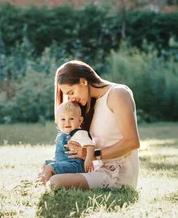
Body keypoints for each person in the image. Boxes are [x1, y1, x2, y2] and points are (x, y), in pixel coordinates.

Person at [48, 60, 140, 190]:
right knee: (49, 168)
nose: (71, 99)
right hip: (94, 168)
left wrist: (92, 155)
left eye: (71, 93)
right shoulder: (90, 103)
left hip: (116, 173)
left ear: (83, 81)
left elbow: (132, 142)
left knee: (56, 181)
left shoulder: (118, 93)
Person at [37, 101, 95, 184]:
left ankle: (41, 185)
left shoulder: (79, 133)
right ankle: (39, 179)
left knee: (50, 167)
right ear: (57, 121)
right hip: (63, 162)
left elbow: (91, 146)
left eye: (71, 118)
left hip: (75, 165)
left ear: (79, 120)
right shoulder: (62, 135)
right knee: (46, 163)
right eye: (63, 119)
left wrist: (88, 159)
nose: (67, 122)